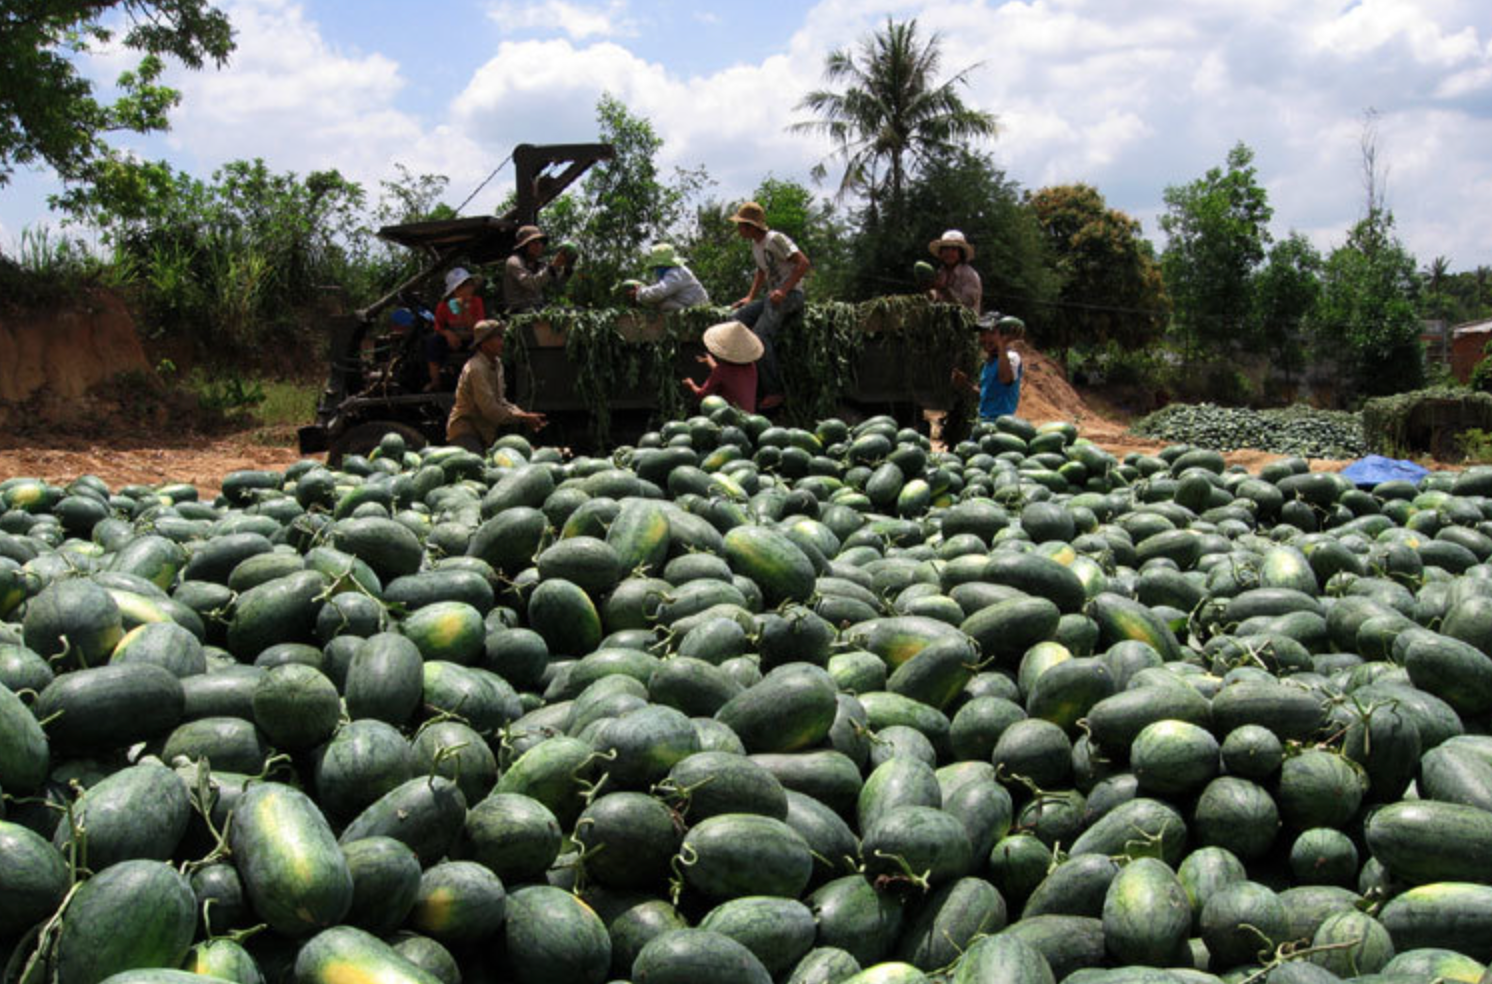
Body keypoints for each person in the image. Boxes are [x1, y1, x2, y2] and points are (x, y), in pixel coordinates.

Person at [728, 201, 811, 410]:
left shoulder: (776, 239)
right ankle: (745, 376)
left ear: (750, 226)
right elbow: (761, 272)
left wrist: (783, 290)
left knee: (761, 335)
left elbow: (803, 263)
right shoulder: (756, 245)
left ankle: (774, 390)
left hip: (791, 296)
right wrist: (749, 297)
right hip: (772, 297)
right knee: (735, 320)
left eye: (740, 225)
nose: (738, 230)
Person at [446, 319, 546, 453]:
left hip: (484, 432)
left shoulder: (497, 364)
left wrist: (524, 415)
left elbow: (501, 401)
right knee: (476, 467)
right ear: (484, 343)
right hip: (466, 430)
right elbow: (490, 409)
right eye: (497, 338)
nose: (502, 343)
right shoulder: (476, 368)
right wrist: (523, 418)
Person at [951, 313, 1025, 420]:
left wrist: (1002, 345)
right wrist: (965, 385)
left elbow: (1005, 379)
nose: (985, 338)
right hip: (983, 422)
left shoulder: (1011, 357)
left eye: (991, 333)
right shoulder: (988, 363)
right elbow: (983, 395)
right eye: (982, 334)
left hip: (1001, 425)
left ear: (1003, 334)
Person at [683, 320, 764, 412]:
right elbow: (729, 377)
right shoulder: (751, 366)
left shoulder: (722, 370)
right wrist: (709, 361)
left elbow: (702, 394)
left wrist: (691, 384)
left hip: (730, 417)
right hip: (750, 413)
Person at [426, 268, 485, 391]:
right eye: (464, 286)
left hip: (472, 339)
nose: (469, 289)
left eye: (470, 285)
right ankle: (435, 381)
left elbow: (478, 326)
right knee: (433, 342)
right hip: (453, 341)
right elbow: (438, 326)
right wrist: (448, 333)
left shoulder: (477, 302)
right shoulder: (445, 306)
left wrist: (465, 310)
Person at [504, 225, 572, 314]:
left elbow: (557, 286)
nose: (539, 246)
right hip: (519, 311)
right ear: (524, 246)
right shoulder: (514, 262)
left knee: (575, 311)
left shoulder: (540, 264)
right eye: (534, 243)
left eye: (540, 243)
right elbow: (532, 283)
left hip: (538, 309)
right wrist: (553, 266)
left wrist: (568, 268)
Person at [628, 243, 709, 311]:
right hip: (684, 304)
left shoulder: (676, 273)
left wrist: (640, 293)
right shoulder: (674, 272)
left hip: (694, 308)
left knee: (664, 304)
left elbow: (659, 292)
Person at [928, 229, 982, 312]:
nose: (949, 253)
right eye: (946, 249)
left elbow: (967, 302)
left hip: (965, 323)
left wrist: (944, 290)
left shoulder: (970, 275)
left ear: (961, 253)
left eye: (953, 249)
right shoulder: (941, 272)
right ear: (941, 252)